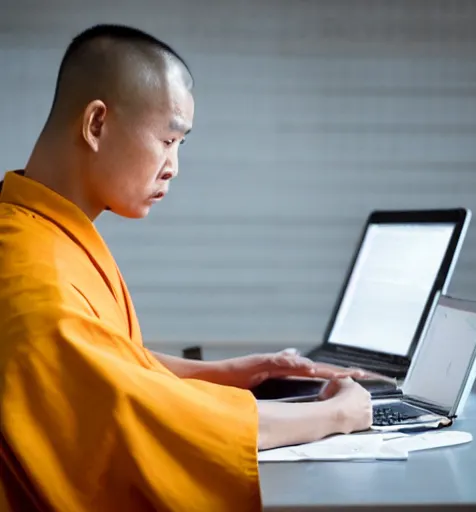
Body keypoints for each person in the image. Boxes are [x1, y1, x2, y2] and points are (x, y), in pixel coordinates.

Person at [0, 24, 372, 512]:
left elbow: (107, 368)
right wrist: (336, 415)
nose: (173, 166)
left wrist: (226, 372)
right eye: (168, 139)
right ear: (96, 125)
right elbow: (144, 415)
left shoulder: (32, 225)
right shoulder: (36, 275)